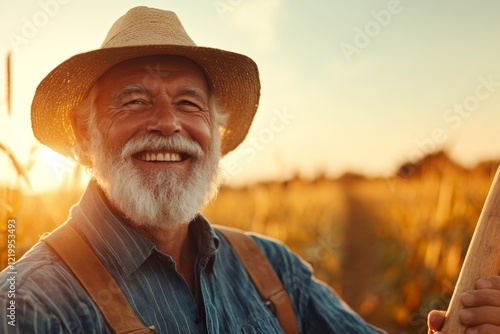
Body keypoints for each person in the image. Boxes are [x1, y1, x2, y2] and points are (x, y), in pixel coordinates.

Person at [1, 6, 499, 333]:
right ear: (84, 136)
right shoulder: (28, 305)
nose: (168, 123)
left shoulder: (270, 269)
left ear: (216, 134)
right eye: (134, 101)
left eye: (189, 103)